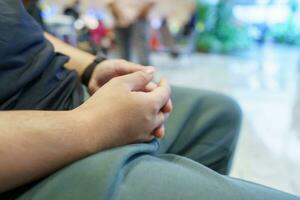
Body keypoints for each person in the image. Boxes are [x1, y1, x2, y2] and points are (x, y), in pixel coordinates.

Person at [0, 1, 299, 199]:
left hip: (66, 92)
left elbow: (25, 31)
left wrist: (92, 66)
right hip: (29, 157)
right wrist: (94, 124)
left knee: (217, 113)